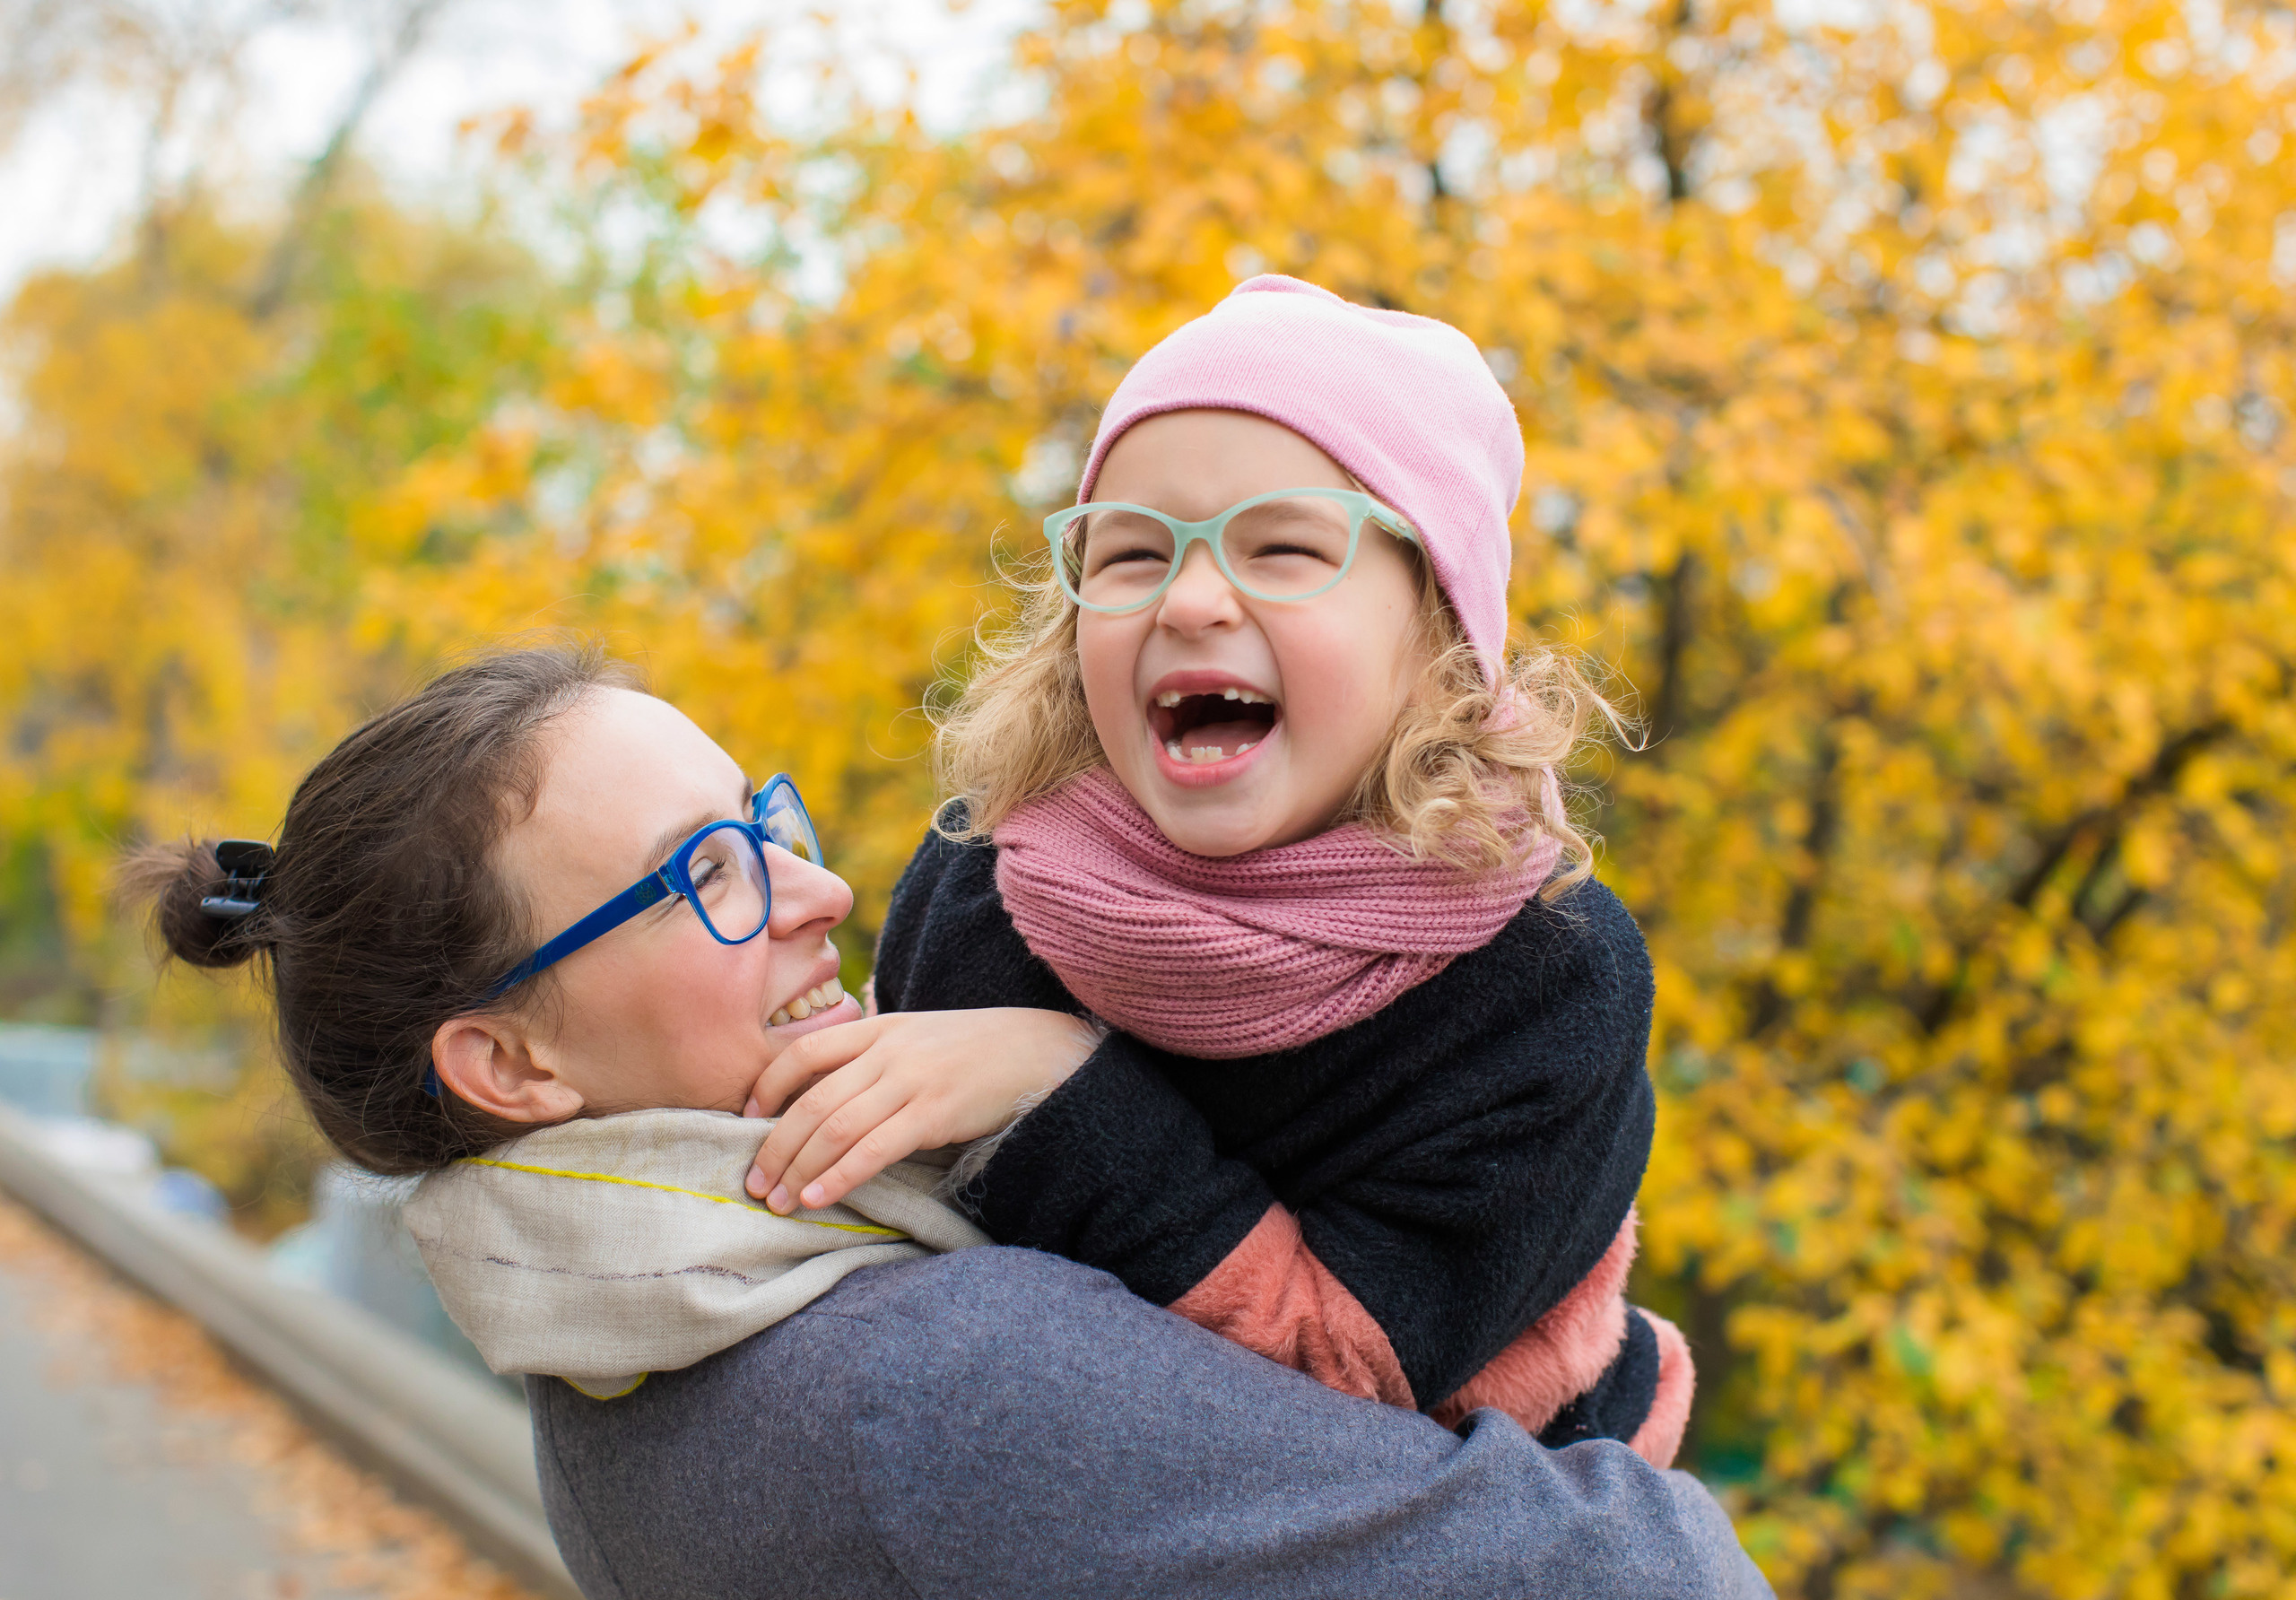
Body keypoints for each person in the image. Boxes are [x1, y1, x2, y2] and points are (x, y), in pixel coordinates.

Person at [126, 644, 1771, 1598]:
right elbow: (1651, 1573)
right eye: (707, 876)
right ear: (513, 1069)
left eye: (766, 820)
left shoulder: (609, 1364)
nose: (827, 891)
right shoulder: (930, 1381)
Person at [744, 274, 1691, 1463]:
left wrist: (1060, 1090)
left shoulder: (1545, 979)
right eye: (1132, 554)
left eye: (1286, 547)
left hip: (1486, 1500)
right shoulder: (986, 884)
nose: (1191, 599)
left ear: (1440, 632)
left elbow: (1351, 1388)